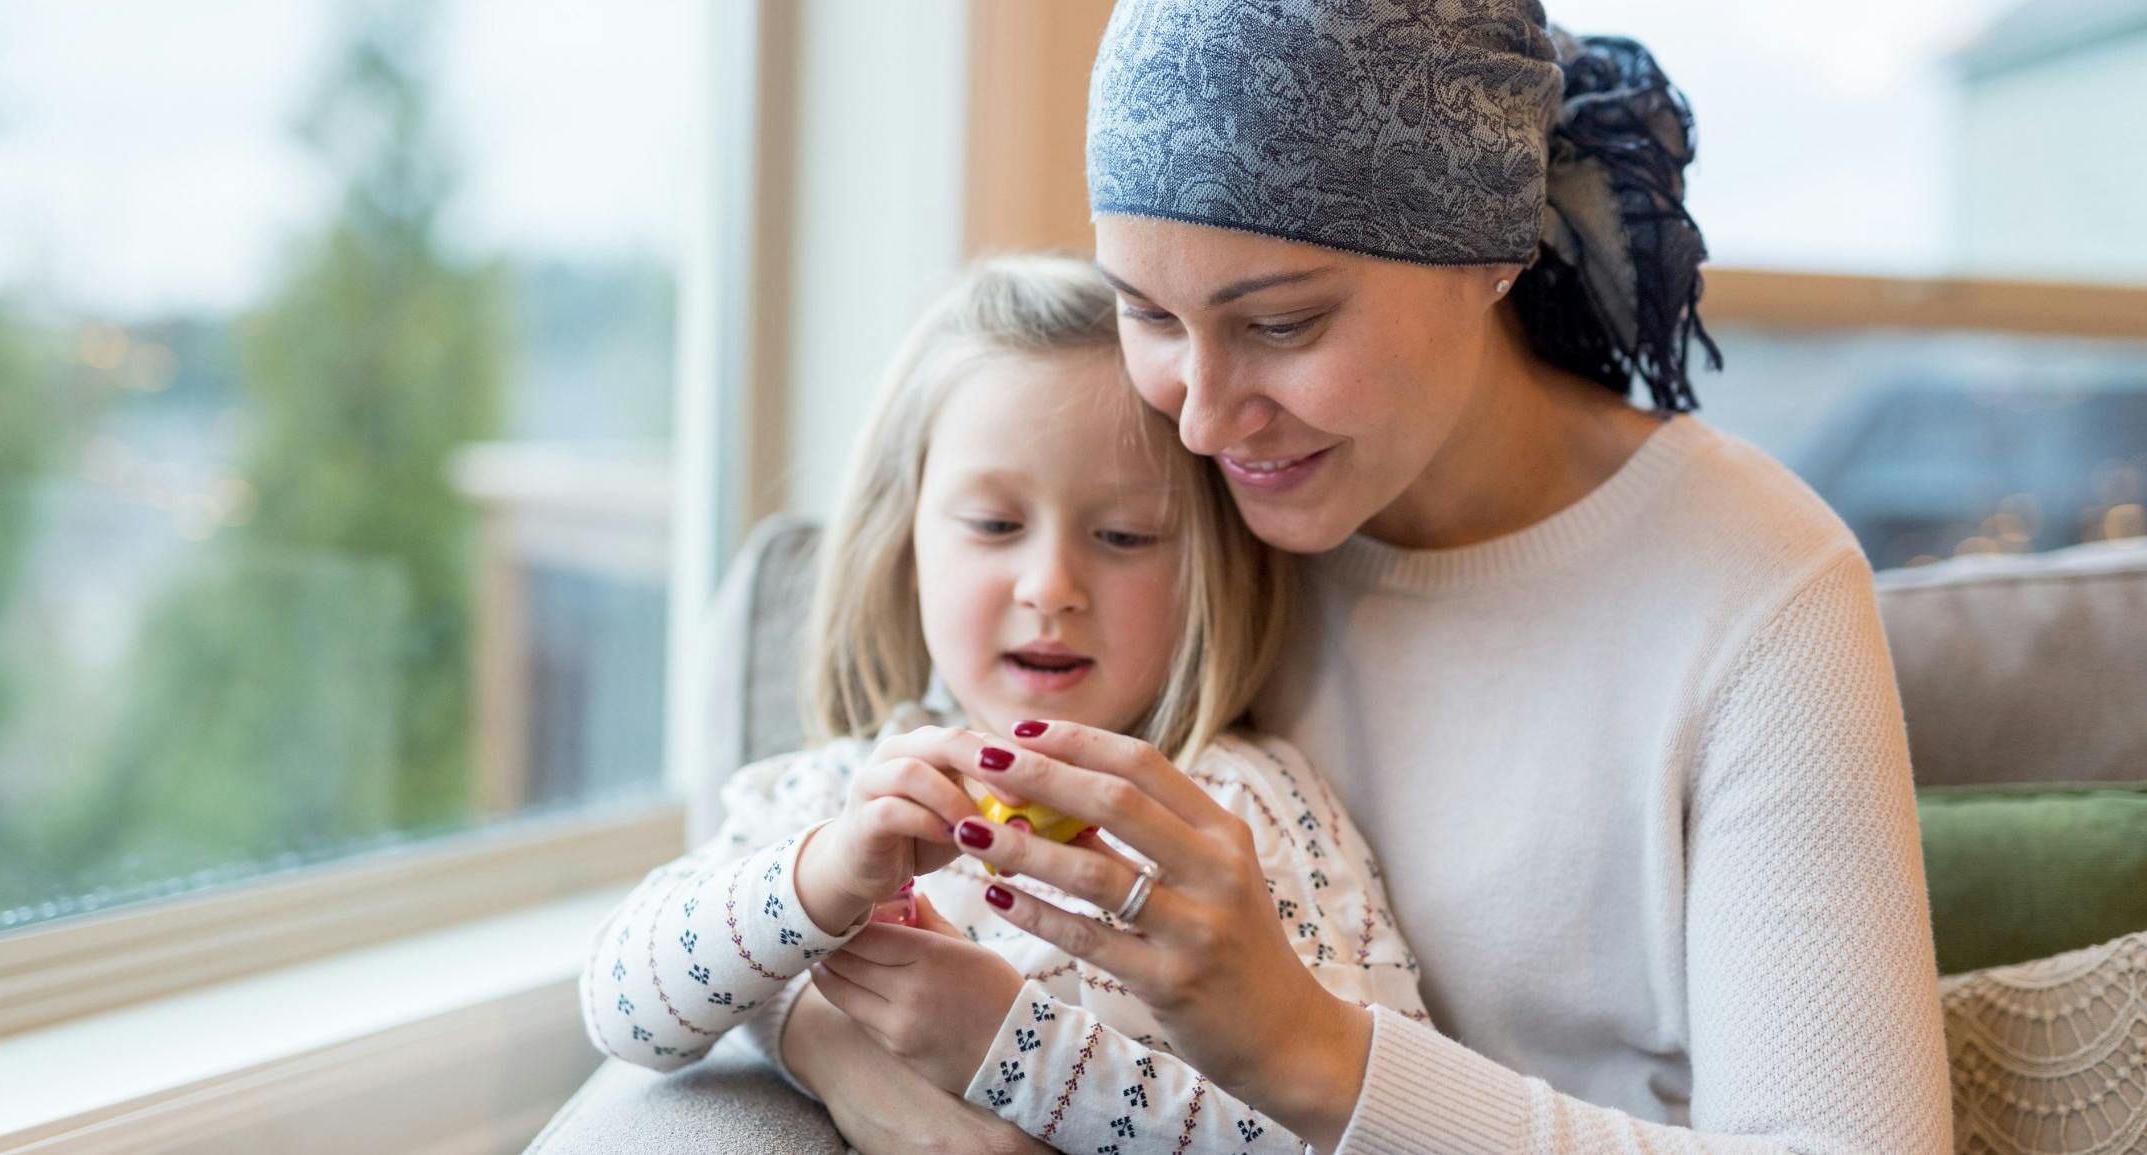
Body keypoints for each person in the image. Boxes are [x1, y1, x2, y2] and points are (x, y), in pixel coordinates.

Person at [790, 3, 1954, 1153]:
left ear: (1492, 252)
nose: (1199, 415)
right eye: (1147, 311)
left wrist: (1305, 1048)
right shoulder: (1164, 522)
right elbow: (789, 844)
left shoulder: (1754, 591)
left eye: (1284, 324)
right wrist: (829, 1038)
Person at [581, 256, 1432, 1154]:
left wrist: (1015, 1049)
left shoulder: (1242, 811)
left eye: (1123, 535)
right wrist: (820, 883)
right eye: (993, 525)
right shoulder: (847, 792)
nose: (1051, 586)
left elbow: (1372, 1131)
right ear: (905, 544)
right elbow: (624, 1007)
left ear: (1211, 569)